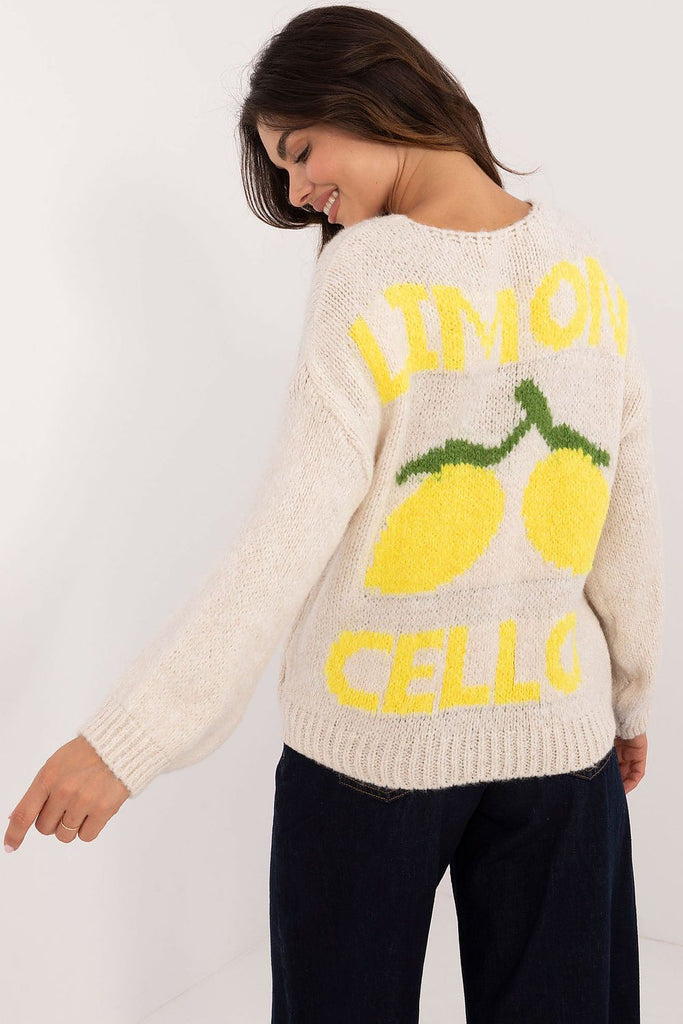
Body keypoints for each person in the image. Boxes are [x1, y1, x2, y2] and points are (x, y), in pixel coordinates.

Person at [4, 6, 664, 1023]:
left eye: (299, 150)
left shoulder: (368, 274)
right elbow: (627, 515)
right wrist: (626, 698)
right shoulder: (582, 260)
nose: (297, 191)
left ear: (371, 90)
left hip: (368, 749)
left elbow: (283, 539)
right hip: (557, 742)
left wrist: (127, 740)